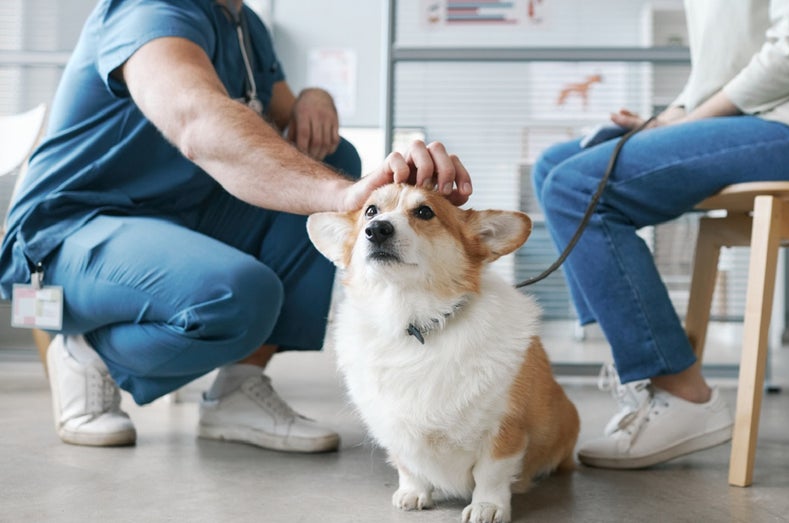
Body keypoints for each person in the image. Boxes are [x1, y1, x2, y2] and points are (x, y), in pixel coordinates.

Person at [0, 0, 471, 452]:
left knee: (332, 156)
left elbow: (284, 113)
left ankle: (238, 388)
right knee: (240, 295)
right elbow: (196, 120)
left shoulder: (243, 23)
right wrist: (345, 197)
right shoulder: (150, 9)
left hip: (179, 216)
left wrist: (315, 98)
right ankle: (87, 349)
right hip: (72, 228)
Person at [533, 0, 789, 469]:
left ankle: (683, 393)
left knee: (576, 186)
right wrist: (668, 118)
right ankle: (642, 374)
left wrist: (689, 122)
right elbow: (714, 74)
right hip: (743, 123)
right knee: (553, 166)